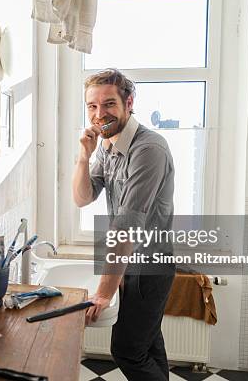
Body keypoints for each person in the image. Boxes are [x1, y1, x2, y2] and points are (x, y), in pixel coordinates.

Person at [72, 69, 176, 380]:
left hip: (148, 266)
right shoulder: (108, 146)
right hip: (130, 263)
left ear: (128, 103)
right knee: (147, 343)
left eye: (108, 104)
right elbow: (83, 197)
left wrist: (104, 291)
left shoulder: (148, 149)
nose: (99, 114)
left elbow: (127, 225)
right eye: (92, 106)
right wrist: (83, 156)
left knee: (128, 351)